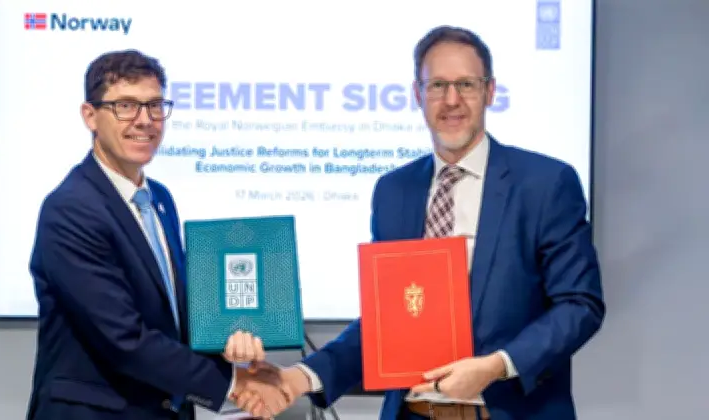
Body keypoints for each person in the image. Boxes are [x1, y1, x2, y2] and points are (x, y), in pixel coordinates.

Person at [233, 25, 606, 420]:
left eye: (466, 84)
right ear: (417, 94)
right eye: (437, 86)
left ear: (490, 91)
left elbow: (579, 305)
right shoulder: (394, 191)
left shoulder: (544, 183)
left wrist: (496, 365)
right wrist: (298, 378)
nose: (451, 100)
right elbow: (386, 323)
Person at [25, 49, 290, 420]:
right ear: (90, 116)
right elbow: (124, 339)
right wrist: (234, 383)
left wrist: (228, 339)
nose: (144, 120)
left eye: (154, 106)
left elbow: (173, 320)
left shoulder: (159, 199)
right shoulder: (71, 209)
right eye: (125, 106)